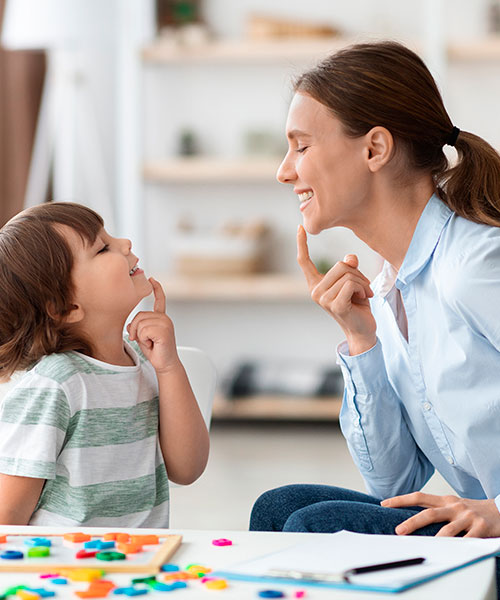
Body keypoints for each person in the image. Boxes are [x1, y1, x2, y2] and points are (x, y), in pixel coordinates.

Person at [250, 40, 500, 588]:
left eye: (300, 146)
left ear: (375, 148)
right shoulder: (387, 287)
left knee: (316, 526)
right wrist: (362, 338)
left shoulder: (475, 263)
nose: (284, 171)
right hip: (484, 524)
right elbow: (395, 480)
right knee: (280, 509)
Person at [0, 202, 209, 526]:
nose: (125, 243)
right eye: (102, 249)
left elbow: (187, 469)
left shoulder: (146, 363)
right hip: (64, 572)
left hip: (142, 565)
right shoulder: (54, 386)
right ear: (65, 307)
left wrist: (168, 367)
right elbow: (7, 515)